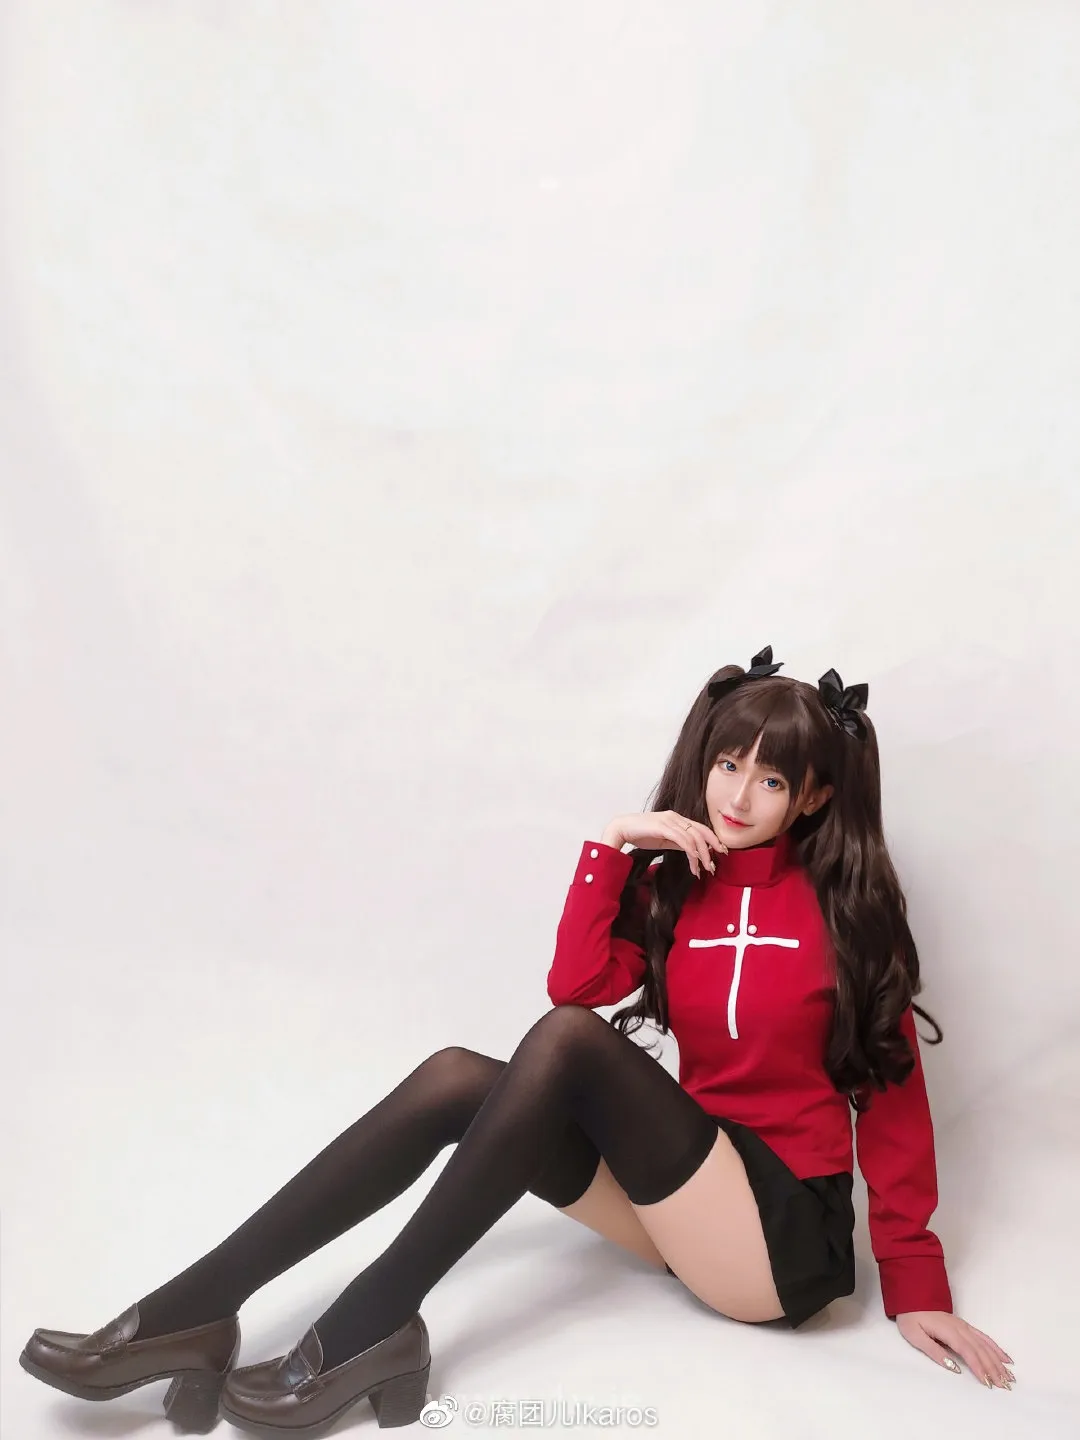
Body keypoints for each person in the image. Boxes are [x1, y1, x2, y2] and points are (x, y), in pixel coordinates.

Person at [20, 645, 1015, 1435]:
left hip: (778, 1240)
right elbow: (576, 984)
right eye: (727, 764)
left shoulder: (845, 916)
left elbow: (894, 1102)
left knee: (571, 1045)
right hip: (689, 1209)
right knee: (458, 1076)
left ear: (814, 797)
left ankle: (369, 1325)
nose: (737, 794)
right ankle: (196, 1311)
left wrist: (914, 1284)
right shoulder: (682, 888)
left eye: (770, 778)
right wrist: (614, 846)